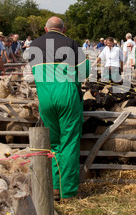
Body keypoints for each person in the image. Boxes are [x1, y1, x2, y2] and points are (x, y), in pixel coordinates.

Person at [27, 16, 90, 200]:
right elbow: (85, 71)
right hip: (67, 95)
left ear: (46, 29)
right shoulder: (71, 43)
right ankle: (68, 191)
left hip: (45, 97)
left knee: (53, 144)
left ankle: (55, 187)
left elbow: (33, 72)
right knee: (69, 141)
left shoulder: (34, 45)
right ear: (63, 29)